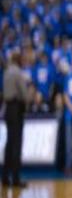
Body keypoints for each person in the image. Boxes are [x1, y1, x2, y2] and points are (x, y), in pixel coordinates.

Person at [1, 50, 29, 188]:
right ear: (19, 60)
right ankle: (16, 179)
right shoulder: (18, 73)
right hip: (16, 109)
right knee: (17, 144)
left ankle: (5, 177)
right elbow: (24, 94)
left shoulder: (6, 72)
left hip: (7, 108)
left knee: (9, 143)